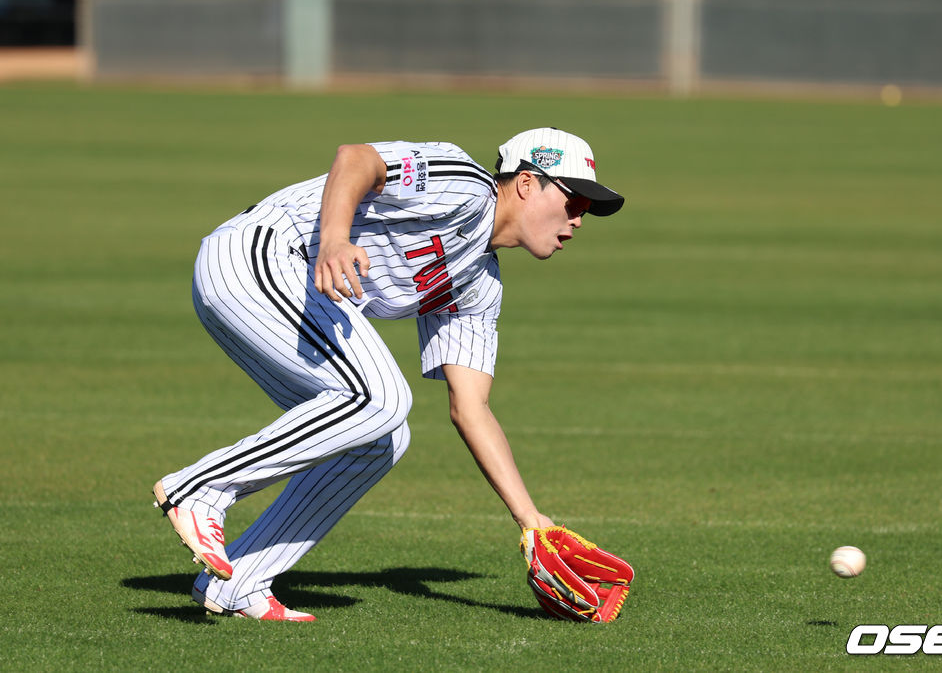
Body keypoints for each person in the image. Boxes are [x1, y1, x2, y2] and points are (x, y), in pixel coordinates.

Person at [153, 127, 625, 621]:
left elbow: (471, 408)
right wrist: (335, 239)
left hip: (279, 294)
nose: (579, 218)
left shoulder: (480, 286)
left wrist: (531, 521)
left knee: (381, 439)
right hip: (256, 255)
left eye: (587, 211)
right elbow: (356, 159)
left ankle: (240, 582)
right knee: (381, 398)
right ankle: (203, 488)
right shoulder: (465, 185)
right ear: (528, 184)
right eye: (574, 201)